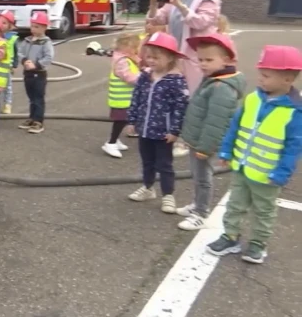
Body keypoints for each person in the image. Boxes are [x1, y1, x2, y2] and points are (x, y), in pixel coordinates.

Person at [206, 45, 302, 264]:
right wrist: (226, 150)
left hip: (268, 176)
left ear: (287, 79)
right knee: (235, 205)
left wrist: (282, 173)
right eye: (261, 74)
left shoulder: (295, 112)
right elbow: (235, 126)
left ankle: (258, 243)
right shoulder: (252, 99)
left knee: (264, 211)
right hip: (242, 166)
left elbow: (294, 148)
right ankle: (230, 236)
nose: (260, 79)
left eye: (266, 75)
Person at [146, 0, 222, 157]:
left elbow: (201, 23)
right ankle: (174, 132)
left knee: (194, 97)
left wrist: (180, 6)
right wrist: (154, 5)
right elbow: (157, 19)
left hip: (199, 56)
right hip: (178, 54)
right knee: (178, 95)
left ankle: (188, 139)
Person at [176, 33, 245, 231]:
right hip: (197, 140)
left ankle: (201, 213)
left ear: (226, 60)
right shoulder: (214, 79)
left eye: (209, 60)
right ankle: (197, 205)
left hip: (204, 143)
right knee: (197, 176)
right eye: (200, 60)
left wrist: (205, 148)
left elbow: (216, 122)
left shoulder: (221, 87)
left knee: (203, 178)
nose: (203, 64)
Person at [125, 33, 189, 213]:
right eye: (148, 56)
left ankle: (168, 195)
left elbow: (181, 107)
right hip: (144, 129)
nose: (151, 61)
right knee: (147, 161)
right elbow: (136, 98)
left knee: (165, 164)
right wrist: (132, 119)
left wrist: (175, 130)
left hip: (163, 132)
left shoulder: (176, 80)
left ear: (170, 57)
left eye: (156, 57)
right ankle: (148, 187)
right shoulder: (145, 76)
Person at [102, 32, 141, 158]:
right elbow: (128, 77)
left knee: (124, 120)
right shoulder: (121, 61)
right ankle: (111, 143)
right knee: (120, 121)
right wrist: (143, 78)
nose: (136, 51)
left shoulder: (124, 57)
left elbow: (136, 64)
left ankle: (115, 140)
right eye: (134, 48)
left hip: (125, 99)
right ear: (125, 47)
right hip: (120, 99)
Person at [16, 13, 53, 134]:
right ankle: (31, 118)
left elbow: (49, 57)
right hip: (28, 73)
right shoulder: (27, 40)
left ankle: (38, 121)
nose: (34, 29)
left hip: (39, 74)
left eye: (37, 26)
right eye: (32, 26)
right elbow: (20, 52)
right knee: (31, 97)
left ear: (44, 28)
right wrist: (24, 60)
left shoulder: (46, 42)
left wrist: (36, 64)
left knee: (38, 97)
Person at [0, 10, 18, 115]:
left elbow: (15, 53)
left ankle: (7, 104)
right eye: (0, 22)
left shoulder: (12, 38)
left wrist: (14, 65)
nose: (1, 25)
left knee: (8, 87)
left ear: (10, 25)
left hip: (7, 66)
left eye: (4, 23)